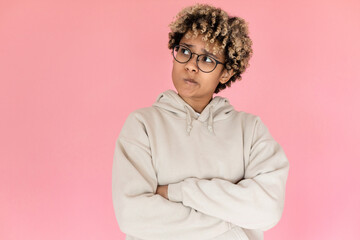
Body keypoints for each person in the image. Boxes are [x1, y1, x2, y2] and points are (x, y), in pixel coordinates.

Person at [112, 3, 289, 240]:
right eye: (185, 51)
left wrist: (177, 192)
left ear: (225, 73)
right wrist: (234, 219)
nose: (191, 65)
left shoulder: (250, 130)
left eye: (207, 59)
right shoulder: (143, 125)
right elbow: (133, 216)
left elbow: (267, 209)